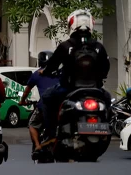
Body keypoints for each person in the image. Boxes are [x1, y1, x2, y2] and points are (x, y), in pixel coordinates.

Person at [41, 9, 111, 140]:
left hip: (68, 89)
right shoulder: (98, 47)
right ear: (91, 24)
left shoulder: (65, 46)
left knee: (46, 98)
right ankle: (108, 125)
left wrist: (45, 72)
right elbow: (106, 68)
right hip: (95, 90)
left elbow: (51, 66)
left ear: (72, 24)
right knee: (108, 100)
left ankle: (50, 133)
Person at [19, 50, 59, 152]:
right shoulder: (59, 73)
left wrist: (22, 101)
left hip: (44, 105)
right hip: (60, 105)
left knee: (32, 124)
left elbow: (26, 91)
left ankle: (37, 145)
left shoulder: (37, 74)